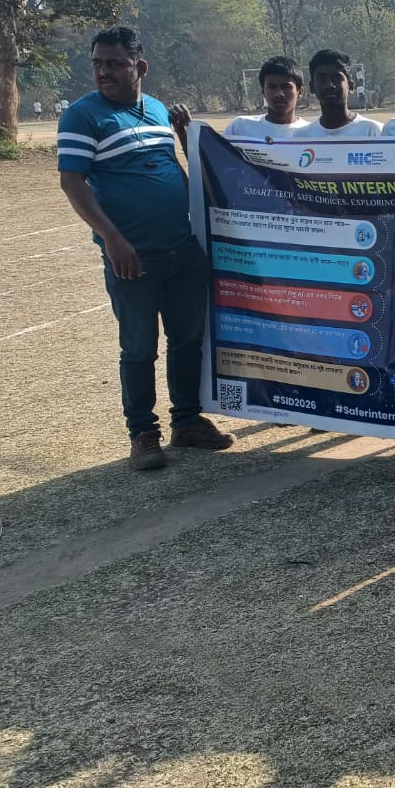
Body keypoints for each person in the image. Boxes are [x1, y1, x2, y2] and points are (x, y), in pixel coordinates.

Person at [55, 25, 234, 471]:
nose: (104, 72)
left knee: (188, 340)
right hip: (132, 257)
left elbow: (171, 168)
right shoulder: (82, 116)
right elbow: (72, 183)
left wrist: (185, 142)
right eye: (98, 64)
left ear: (140, 67)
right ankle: (142, 433)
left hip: (181, 249)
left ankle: (187, 422)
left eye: (115, 63)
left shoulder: (155, 109)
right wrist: (112, 239)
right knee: (138, 348)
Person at [294, 49, 384, 139]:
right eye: (321, 79)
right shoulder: (301, 136)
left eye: (336, 78)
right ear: (312, 87)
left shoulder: (371, 130)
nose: (329, 85)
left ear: (351, 86)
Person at [224, 56, 309, 142]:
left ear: (300, 92)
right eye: (272, 87)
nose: (279, 94)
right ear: (263, 91)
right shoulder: (240, 127)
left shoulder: (310, 132)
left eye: (286, 87)